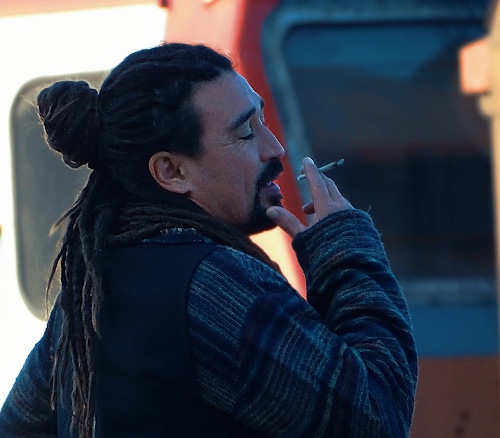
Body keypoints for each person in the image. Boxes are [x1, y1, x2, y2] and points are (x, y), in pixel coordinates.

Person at [0, 43, 417, 438]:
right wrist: (345, 251)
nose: (275, 149)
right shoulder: (210, 286)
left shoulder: (93, 286)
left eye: (263, 120)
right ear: (172, 172)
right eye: (246, 133)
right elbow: (377, 417)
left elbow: (17, 427)